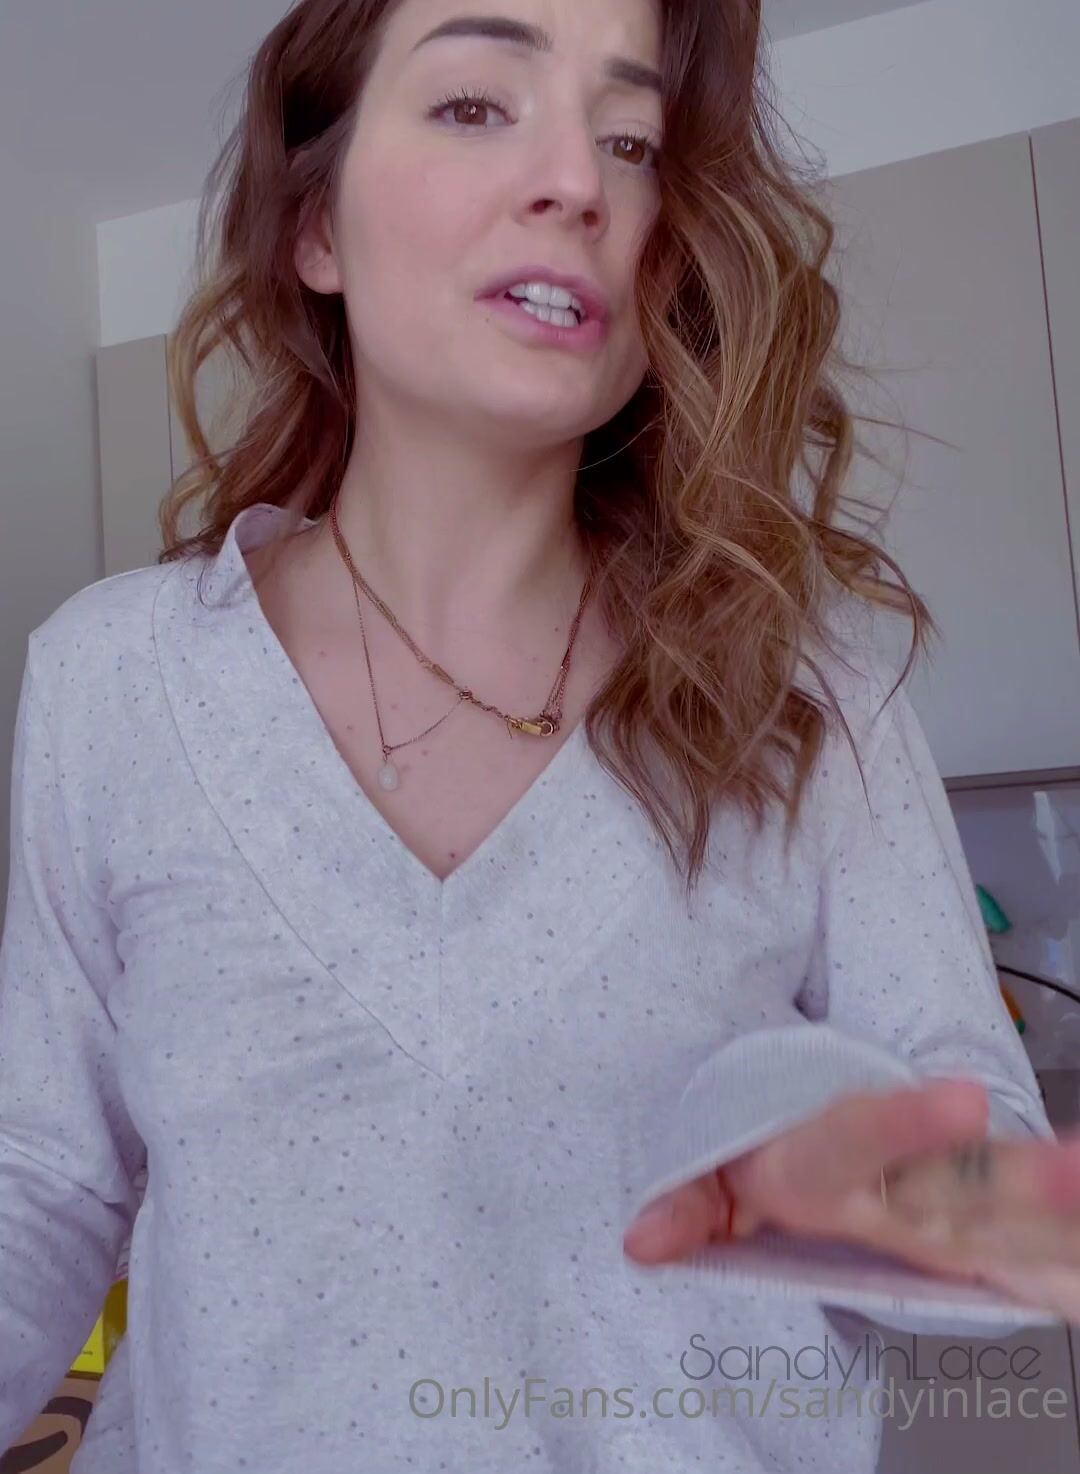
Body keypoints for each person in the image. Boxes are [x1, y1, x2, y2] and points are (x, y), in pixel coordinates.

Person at [3, 0, 1080, 1469]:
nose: (579, 181)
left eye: (632, 141)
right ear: (314, 228)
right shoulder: (113, 684)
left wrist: (819, 1159)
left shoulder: (805, 697)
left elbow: (1014, 1218)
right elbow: (46, 1181)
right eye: (474, 105)